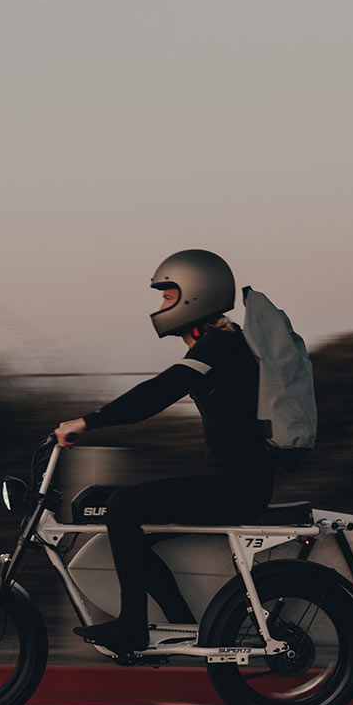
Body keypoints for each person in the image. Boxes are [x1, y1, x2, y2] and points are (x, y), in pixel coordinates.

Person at [54, 249, 273, 655]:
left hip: (237, 486)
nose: (160, 307)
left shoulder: (219, 347)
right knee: (128, 516)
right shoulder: (221, 345)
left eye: (168, 296)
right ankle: (180, 623)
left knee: (123, 506)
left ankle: (136, 628)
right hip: (232, 481)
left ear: (196, 295)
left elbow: (155, 395)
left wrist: (86, 422)